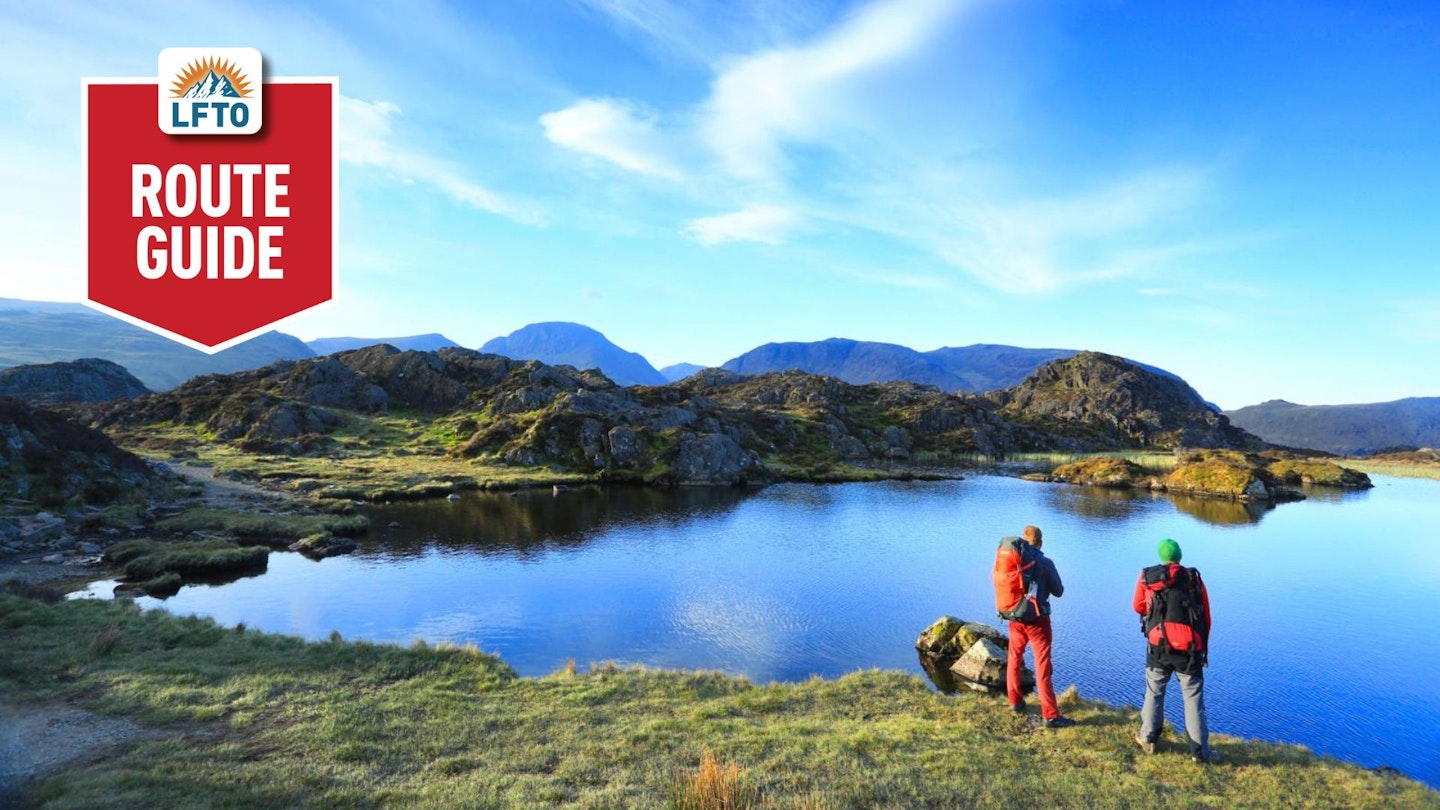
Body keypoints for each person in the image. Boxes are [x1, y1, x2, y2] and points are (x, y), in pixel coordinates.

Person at [1132, 538, 1218, 764]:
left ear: (1161, 557)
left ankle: (1148, 739)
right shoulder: (1194, 580)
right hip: (1189, 650)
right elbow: (1206, 618)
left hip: (1158, 646)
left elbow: (1137, 607)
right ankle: (1199, 753)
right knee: (1193, 698)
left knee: (1154, 691)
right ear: (1179, 556)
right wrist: (1202, 648)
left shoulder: (1147, 578)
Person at [1007, 524, 1074, 728]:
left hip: (1016, 618)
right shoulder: (1045, 562)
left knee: (1014, 658)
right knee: (1042, 664)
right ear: (1041, 542)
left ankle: (1015, 702)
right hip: (1038, 621)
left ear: (1022, 540)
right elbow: (1059, 591)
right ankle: (1050, 715)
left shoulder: (1014, 561)